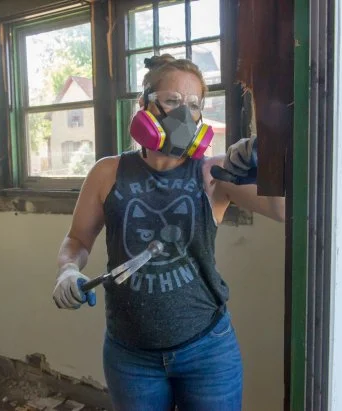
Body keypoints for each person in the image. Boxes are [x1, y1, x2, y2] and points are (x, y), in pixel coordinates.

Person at [52, 54, 285, 411]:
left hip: (207, 351)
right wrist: (68, 269)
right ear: (145, 106)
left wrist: (266, 160)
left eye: (194, 105)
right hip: (131, 357)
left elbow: (285, 211)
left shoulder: (213, 173)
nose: (184, 114)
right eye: (173, 101)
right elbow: (77, 240)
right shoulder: (107, 173)